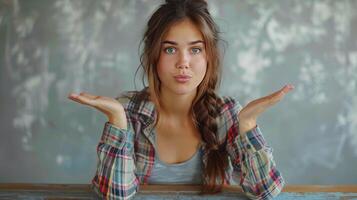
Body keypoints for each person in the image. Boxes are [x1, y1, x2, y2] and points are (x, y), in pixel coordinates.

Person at [68, 0, 294, 199]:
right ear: (153, 56)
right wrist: (117, 118)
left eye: (195, 50)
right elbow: (115, 195)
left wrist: (247, 125)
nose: (183, 62)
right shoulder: (130, 112)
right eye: (169, 50)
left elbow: (264, 191)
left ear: (209, 57)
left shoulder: (226, 114)